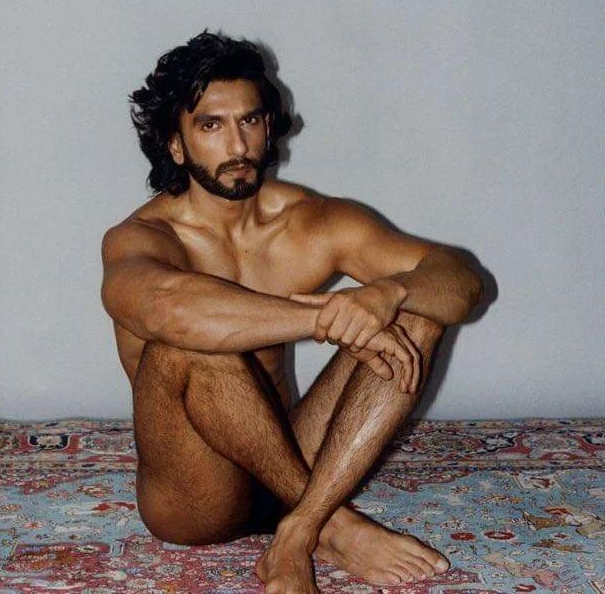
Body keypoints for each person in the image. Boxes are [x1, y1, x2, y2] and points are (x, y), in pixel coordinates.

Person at [101, 30, 482, 593]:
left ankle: (303, 526)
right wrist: (328, 317)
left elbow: (460, 279)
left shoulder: (310, 220)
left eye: (250, 121)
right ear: (176, 145)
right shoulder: (141, 238)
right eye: (211, 126)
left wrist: (388, 295)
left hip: (294, 465)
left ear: (269, 126)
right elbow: (169, 309)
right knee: (190, 341)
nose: (238, 145)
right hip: (198, 496)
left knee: (416, 310)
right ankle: (338, 529)